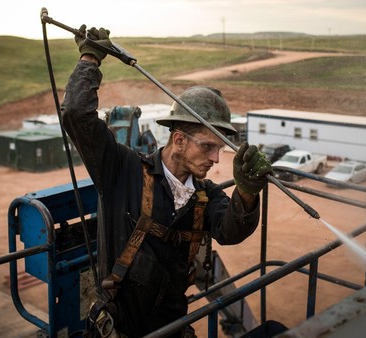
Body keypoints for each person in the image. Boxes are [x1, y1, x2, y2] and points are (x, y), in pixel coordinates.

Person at [62, 25, 272, 338]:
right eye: (208, 146)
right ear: (179, 139)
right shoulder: (121, 171)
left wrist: (247, 193)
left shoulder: (205, 197)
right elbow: (77, 114)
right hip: (119, 329)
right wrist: (90, 59)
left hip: (170, 330)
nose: (216, 159)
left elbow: (231, 231)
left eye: (219, 148)